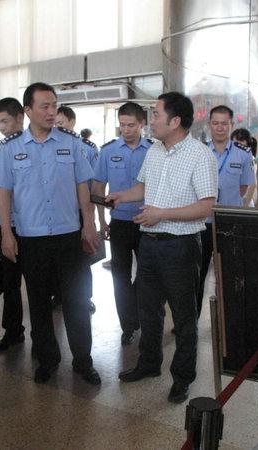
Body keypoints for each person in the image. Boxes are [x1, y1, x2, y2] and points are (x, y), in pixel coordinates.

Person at [0, 82, 101, 385]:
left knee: (77, 301)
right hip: (31, 238)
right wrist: (6, 233)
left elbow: (82, 187)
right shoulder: (9, 150)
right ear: (28, 110)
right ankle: (48, 360)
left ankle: (83, 361)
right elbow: (4, 194)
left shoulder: (72, 144)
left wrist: (88, 224)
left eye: (54, 105)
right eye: (45, 106)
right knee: (38, 303)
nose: (52, 112)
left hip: (68, 236)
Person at [108, 92, 217, 403]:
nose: (151, 121)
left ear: (175, 121)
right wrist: (121, 196)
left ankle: (182, 378)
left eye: (155, 114)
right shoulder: (154, 151)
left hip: (181, 247)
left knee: (183, 317)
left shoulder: (200, 156)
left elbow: (206, 206)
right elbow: (144, 187)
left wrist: (162, 214)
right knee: (148, 310)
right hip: (149, 244)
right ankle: (149, 363)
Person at [92, 101, 152, 346]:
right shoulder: (108, 151)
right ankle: (127, 325)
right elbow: (98, 187)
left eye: (131, 125)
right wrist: (101, 221)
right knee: (120, 275)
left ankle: (137, 311)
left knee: (148, 274)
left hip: (147, 222)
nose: (126, 130)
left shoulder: (153, 150)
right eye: (122, 125)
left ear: (142, 124)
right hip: (119, 223)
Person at [197, 106, 255, 316]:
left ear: (231, 125)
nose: (219, 127)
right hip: (202, 223)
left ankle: (227, 319)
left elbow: (243, 188)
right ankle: (191, 321)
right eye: (215, 123)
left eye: (224, 123)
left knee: (228, 274)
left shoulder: (243, 154)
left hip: (229, 223)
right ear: (209, 125)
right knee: (198, 273)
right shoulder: (199, 152)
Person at [0, 97, 26, 353]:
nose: (1, 127)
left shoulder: (38, 146)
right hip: (10, 227)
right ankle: (13, 331)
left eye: (5, 121)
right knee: (10, 283)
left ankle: (44, 336)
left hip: (34, 228)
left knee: (40, 284)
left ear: (20, 117)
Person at [55, 104, 98, 313]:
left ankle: (85, 297)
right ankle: (59, 295)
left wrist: (91, 217)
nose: (57, 126)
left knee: (82, 259)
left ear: (72, 122)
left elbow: (92, 183)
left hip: (81, 210)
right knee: (58, 258)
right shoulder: (49, 146)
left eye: (61, 123)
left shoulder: (87, 148)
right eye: (55, 123)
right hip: (58, 211)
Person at [231, 128, 257, 207]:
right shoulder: (232, 158)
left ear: (247, 143)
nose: (237, 146)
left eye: (241, 142)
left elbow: (253, 185)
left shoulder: (250, 158)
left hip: (244, 203)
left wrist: (245, 206)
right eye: (235, 143)